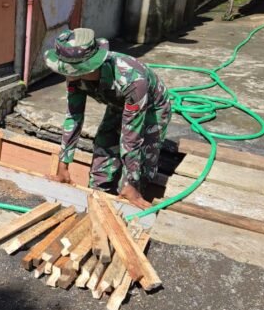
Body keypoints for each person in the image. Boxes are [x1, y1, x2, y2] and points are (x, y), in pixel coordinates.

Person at [44, 28, 172, 208]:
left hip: (151, 108)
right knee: (104, 146)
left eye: (71, 70)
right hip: (117, 103)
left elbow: (132, 137)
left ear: (88, 67)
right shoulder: (74, 77)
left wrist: (130, 182)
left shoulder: (132, 79)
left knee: (142, 159)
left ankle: (133, 201)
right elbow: (73, 118)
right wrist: (63, 166)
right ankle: (98, 199)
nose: (66, 75)